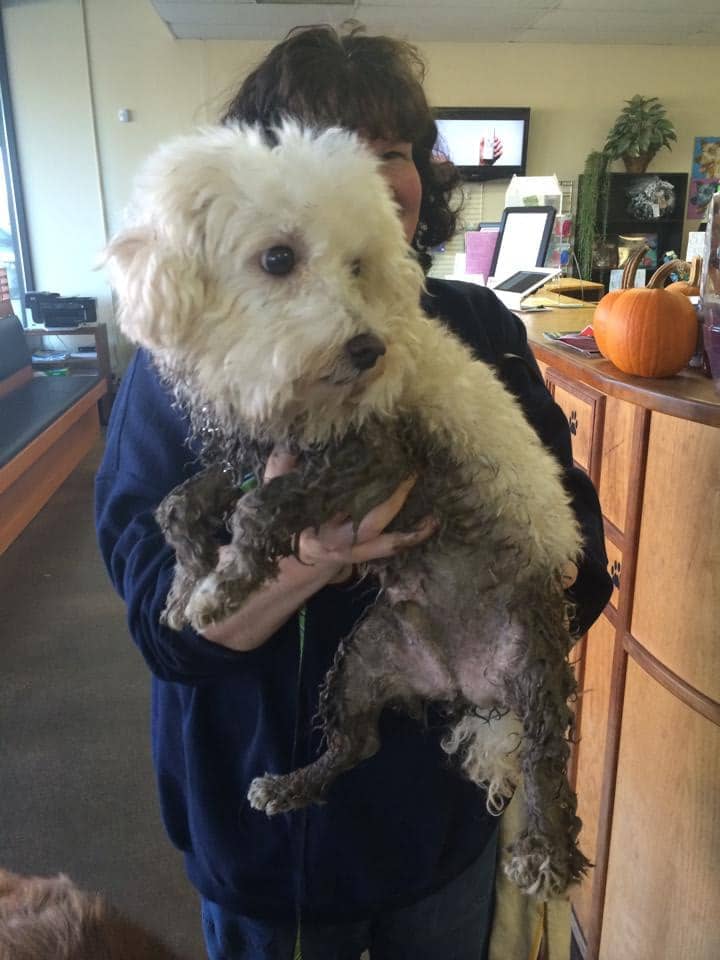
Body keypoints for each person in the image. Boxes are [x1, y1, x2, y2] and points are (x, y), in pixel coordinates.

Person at [95, 23, 612, 960]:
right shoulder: (180, 368)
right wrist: (302, 563)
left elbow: (578, 554)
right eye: (341, 152)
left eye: (395, 151)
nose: (373, 179)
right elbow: (158, 624)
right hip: (271, 845)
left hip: (439, 826)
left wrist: (490, 600)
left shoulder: (474, 324)